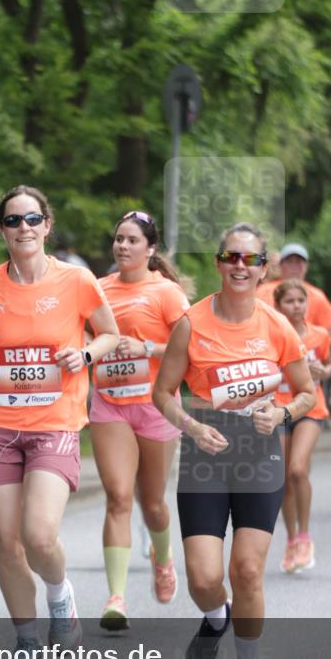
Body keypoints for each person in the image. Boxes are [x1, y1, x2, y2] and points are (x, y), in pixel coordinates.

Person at [153, 223, 315, 659]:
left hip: (259, 457)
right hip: (206, 456)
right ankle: (216, 618)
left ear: (263, 268)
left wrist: (283, 413)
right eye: (231, 257)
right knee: (204, 579)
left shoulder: (276, 325)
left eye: (250, 260)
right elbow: (162, 392)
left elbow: (308, 392)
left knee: (246, 571)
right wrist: (193, 428)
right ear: (219, 263)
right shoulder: (191, 322)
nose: (240, 266)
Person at [0, 185, 119, 659]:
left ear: (46, 225)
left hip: (55, 422)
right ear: (2, 229)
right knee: (7, 543)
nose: (22, 228)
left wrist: (85, 353)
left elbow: (110, 333)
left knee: (39, 536)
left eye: (31, 219)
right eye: (12, 221)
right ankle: (26, 642)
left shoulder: (77, 281)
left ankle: (60, 594)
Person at [89, 210, 191, 630]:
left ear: (150, 249)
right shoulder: (96, 289)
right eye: (119, 239)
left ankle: (163, 559)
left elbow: (190, 348)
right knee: (117, 496)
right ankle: (116, 598)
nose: (123, 246)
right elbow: (78, 335)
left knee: (153, 504)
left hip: (154, 405)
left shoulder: (166, 292)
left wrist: (145, 347)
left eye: (132, 240)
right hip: (110, 403)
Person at [273, 280, 331, 572]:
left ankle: (306, 537)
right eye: (289, 301)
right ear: (278, 305)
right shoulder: (272, 336)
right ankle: (292, 539)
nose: (296, 306)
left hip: (311, 407)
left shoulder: (320, 335)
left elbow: (329, 364)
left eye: (301, 300)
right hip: (281, 408)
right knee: (283, 477)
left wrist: (324, 370)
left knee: (298, 468)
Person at [257, 243, 331, 340]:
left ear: (306, 266)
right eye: (290, 261)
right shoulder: (263, 291)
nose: (294, 266)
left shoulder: (318, 296)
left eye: (299, 262)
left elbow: (329, 334)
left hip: (305, 348)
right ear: (281, 265)